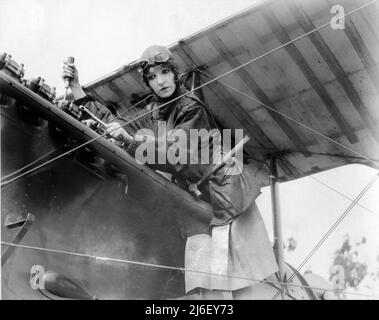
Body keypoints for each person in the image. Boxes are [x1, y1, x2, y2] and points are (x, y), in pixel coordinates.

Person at [62, 45, 278, 299]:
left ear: (175, 73)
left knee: (241, 283)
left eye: (164, 72)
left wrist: (131, 142)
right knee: (208, 286)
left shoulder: (191, 107)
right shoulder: (154, 111)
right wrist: (78, 90)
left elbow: (175, 152)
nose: (160, 81)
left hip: (230, 196)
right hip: (199, 205)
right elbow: (120, 123)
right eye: (152, 77)